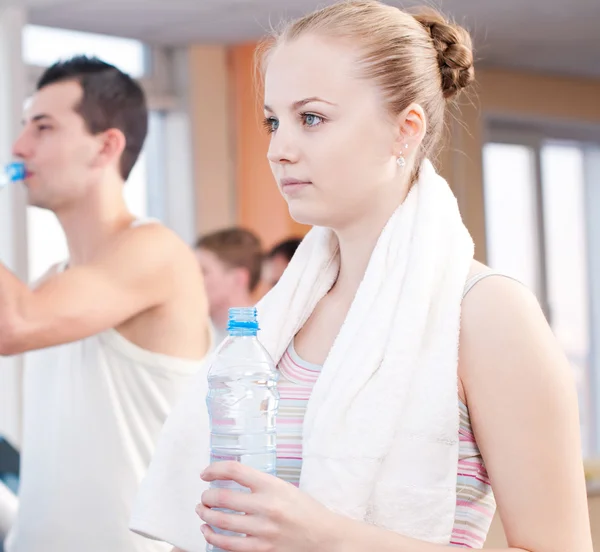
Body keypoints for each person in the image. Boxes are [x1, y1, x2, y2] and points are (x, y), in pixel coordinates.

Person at [130, 2, 593, 551]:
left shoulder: (487, 312)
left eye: (313, 118)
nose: (279, 149)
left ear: (405, 130)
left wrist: (326, 538)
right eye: (273, 121)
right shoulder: (283, 316)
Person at [1, 56, 210, 552]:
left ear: (106, 146)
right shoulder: (53, 282)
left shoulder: (154, 251)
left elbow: (12, 325)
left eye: (43, 127)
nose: (19, 146)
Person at [194, 228, 263, 345]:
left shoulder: (265, 338)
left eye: (203, 271)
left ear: (238, 279)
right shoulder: (196, 336)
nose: (193, 279)